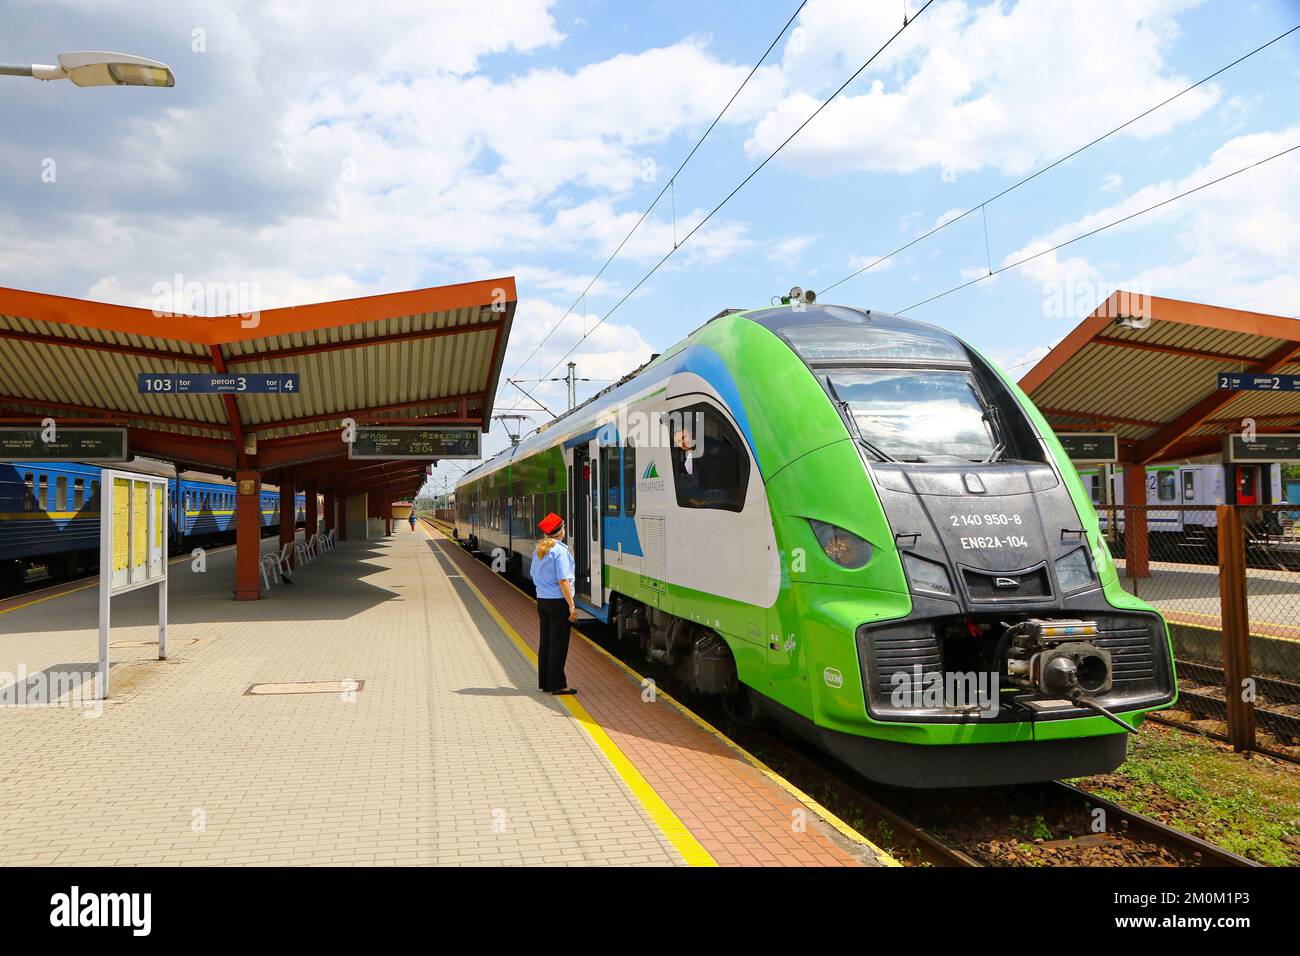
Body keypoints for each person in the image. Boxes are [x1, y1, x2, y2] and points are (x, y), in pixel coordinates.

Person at [529, 512, 578, 695]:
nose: (564, 530)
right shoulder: (559, 551)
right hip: (558, 603)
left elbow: (534, 575)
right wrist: (571, 605)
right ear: (559, 531)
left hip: (542, 601)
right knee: (559, 643)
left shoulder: (539, 550)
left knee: (546, 642)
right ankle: (558, 684)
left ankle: (546, 682)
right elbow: (563, 580)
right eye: (563, 527)